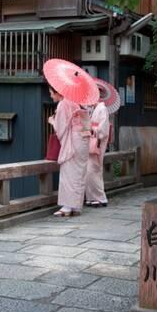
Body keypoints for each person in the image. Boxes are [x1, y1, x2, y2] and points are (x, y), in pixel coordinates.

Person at [48, 86, 91, 217]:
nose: (50, 96)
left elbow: (61, 128)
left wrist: (52, 121)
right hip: (83, 139)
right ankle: (76, 207)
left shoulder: (63, 103)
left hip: (73, 140)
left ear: (57, 92)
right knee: (79, 173)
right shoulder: (75, 101)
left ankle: (67, 207)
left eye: (51, 93)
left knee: (68, 173)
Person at [84, 99, 110, 207]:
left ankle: (100, 197)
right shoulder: (94, 108)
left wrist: (93, 129)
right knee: (89, 170)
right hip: (92, 140)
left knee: (94, 169)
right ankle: (91, 197)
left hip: (98, 142)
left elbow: (103, 129)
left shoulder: (102, 109)